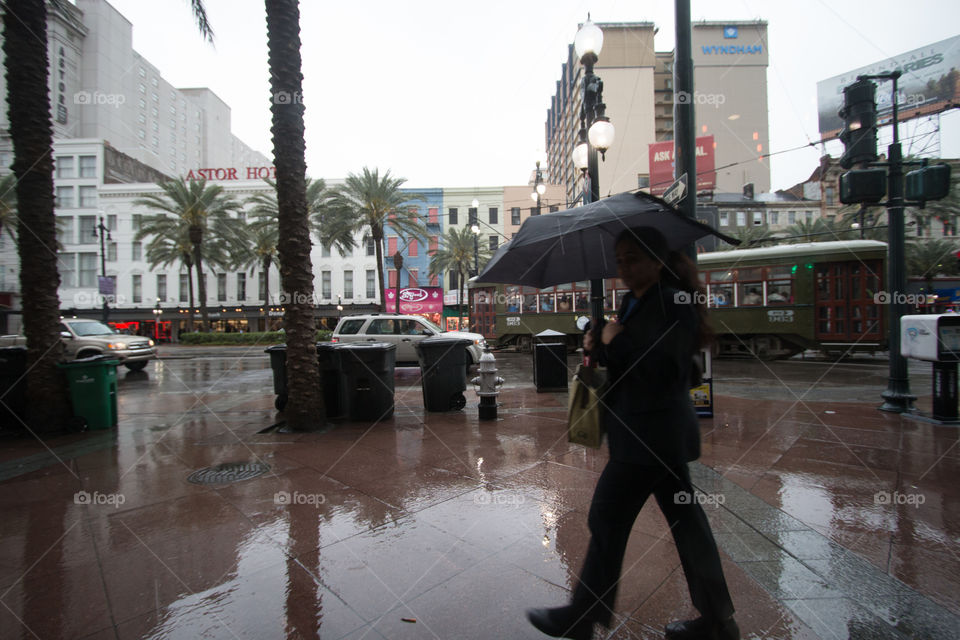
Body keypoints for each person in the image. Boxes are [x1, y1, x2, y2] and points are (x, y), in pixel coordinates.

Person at [527, 226, 738, 640]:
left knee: (607, 516)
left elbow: (669, 369)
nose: (623, 267)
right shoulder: (631, 302)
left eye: (633, 259)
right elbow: (625, 358)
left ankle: (583, 617)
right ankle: (717, 622)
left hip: (652, 435)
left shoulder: (674, 302)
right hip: (646, 435)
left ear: (658, 260)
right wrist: (599, 343)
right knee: (686, 523)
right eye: (619, 260)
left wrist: (617, 341)